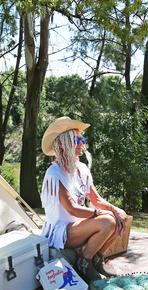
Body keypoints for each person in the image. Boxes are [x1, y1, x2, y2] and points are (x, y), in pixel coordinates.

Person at [40, 116, 128, 281]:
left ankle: (97, 258)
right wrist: (99, 214)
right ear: (65, 144)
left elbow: (96, 199)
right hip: (63, 232)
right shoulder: (54, 173)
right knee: (107, 221)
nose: (82, 143)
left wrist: (115, 210)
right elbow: (72, 208)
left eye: (82, 138)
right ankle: (84, 262)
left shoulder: (81, 168)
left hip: (79, 226)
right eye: (77, 139)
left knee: (121, 217)